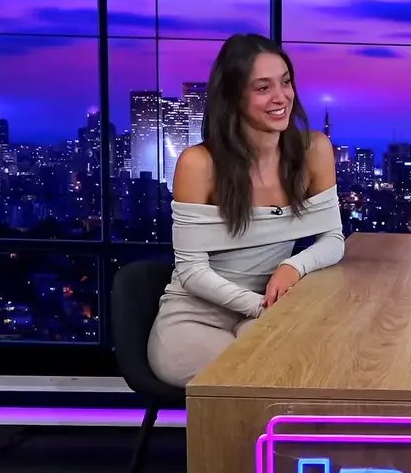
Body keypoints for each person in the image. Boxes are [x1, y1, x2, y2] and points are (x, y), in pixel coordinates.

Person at [147, 33, 345, 387]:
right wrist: (260, 307)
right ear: (234, 96)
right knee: (258, 378)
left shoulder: (314, 151)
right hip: (195, 320)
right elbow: (191, 271)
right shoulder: (199, 164)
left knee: (310, 366)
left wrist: (292, 266)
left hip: (263, 309)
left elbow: (332, 239)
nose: (280, 97)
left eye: (285, 82)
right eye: (263, 88)